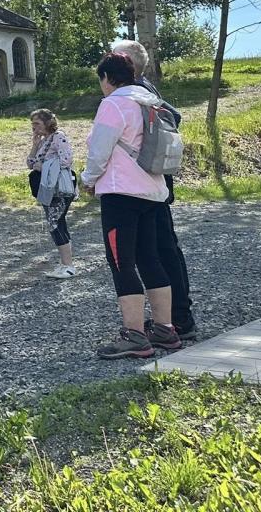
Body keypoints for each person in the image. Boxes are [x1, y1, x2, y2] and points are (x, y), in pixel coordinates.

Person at [81, 53, 181, 359]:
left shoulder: (113, 104)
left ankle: (135, 335)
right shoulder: (151, 100)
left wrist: (87, 179)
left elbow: (100, 150)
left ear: (107, 78)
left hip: (121, 193)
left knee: (121, 262)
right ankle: (165, 328)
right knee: (150, 258)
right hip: (153, 191)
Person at [112, 39, 197, 340]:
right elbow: (175, 117)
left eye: (112, 56)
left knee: (161, 252)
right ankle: (176, 318)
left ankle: (178, 319)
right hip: (155, 183)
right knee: (161, 250)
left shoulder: (137, 91)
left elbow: (173, 117)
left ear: (125, 62)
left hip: (148, 184)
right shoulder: (144, 89)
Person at [27, 110, 78, 278]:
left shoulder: (58, 137)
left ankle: (68, 265)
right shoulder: (44, 141)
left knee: (55, 223)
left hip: (58, 188)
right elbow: (30, 163)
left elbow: (66, 160)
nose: (34, 127)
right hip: (47, 187)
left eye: (37, 124)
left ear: (48, 123)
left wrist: (44, 166)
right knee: (56, 222)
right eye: (32, 124)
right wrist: (35, 146)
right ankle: (65, 263)